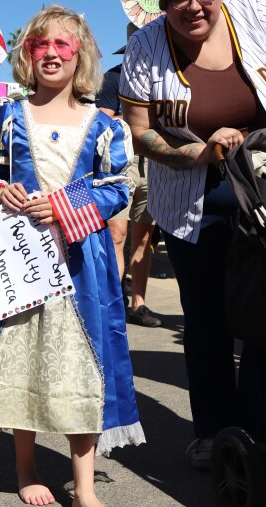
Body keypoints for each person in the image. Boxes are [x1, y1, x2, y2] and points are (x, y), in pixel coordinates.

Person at [119, 0, 266, 468]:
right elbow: (140, 132)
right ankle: (215, 431)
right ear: (162, 0)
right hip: (190, 200)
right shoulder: (145, 47)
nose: (195, 6)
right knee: (207, 319)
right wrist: (198, 155)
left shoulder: (254, 11)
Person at [0, 5, 144, 507]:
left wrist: (63, 205)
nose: (51, 54)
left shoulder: (103, 123)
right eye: (41, 45)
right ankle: (26, 466)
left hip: (81, 266)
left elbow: (117, 189)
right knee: (24, 362)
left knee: (83, 366)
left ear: (80, 55)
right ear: (27, 54)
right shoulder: (8, 118)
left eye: (63, 45)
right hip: (22, 263)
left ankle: (83, 485)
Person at [96, 40, 162, 328]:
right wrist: (131, 121)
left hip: (154, 163)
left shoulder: (162, 79)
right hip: (122, 163)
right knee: (117, 236)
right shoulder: (112, 78)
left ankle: (139, 303)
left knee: (145, 239)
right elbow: (100, 122)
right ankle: (113, 304)